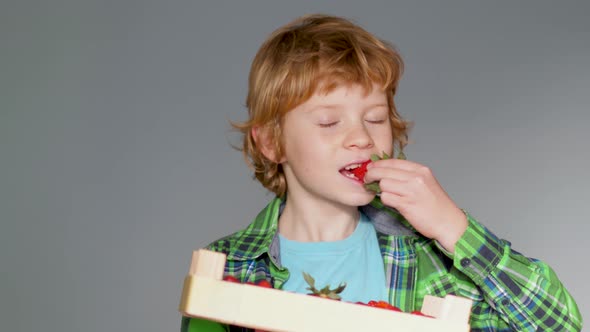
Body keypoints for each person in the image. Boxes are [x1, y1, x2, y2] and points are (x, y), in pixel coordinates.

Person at [181, 14, 582, 332]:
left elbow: (558, 325)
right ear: (272, 143)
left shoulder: (427, 261)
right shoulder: (228, 266)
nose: (360, 138)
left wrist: (454, 228)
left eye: (374, 118)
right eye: (328, 122)